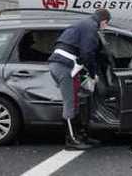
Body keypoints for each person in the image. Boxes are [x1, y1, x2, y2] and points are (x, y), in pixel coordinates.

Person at [47, 9, 111, 150]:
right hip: (64, 67)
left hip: (63, 64)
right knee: (70, 103)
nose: (104, 28)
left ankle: (81, 136)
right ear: (103, 21)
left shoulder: (84, 23)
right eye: (106, 25)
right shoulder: (91, 27)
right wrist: (93, 74)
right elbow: (88, 52)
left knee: (76, 102)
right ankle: (72, 140)